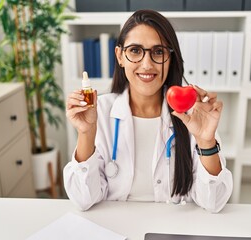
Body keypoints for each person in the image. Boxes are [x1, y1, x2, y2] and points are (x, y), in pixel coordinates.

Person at [64, 9, 233, 213]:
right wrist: (86, 134)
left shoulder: (193, 114)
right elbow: (83, 200)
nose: (146, 64)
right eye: (135, 50)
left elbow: (214, 203)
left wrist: (206, 142)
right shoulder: (99, 111)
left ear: (170, 58)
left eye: (158, 52)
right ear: (120, 56)